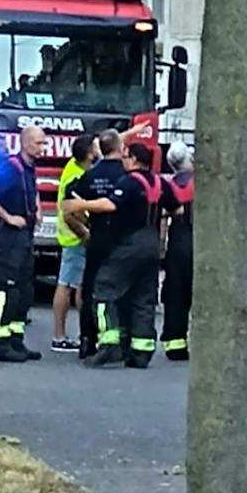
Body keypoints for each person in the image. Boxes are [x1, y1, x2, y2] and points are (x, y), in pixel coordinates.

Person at [75, 136, 162, 369]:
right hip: (153, 242)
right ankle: (141, 351)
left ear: (133, 159)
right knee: (143, 297)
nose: (123, 161)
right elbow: (178, 208)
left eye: (125, 157)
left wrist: (81, 205)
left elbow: (110, 205)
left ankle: (109, 345)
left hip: (131, 243)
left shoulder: (130, 182)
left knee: (104, 289)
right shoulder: (159, 181)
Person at [0, 125, 45, 363]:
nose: (43, 148)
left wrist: (37, 209)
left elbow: (33, 189)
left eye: (44, 143)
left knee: (23, 289)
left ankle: (15, 340)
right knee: (6, 288)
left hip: (26, 233)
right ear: (25, 142)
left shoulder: (29, 168)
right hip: (10, 235)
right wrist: (7, 217)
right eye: (39, 143)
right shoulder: (10, 167)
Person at [66, 126, 125, 360]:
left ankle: (87, 340)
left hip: (98, 235)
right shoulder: (127, 174)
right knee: (121, 289)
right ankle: (118, 338)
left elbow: (69, 209)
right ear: (120, 148)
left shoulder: (89, 175)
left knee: (90, 287)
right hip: (122, 237)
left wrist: (84, 232)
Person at [51, 131, 94, 353]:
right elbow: (71, 212)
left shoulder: (75, 165)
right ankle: (61, 336)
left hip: (71, 235)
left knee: (72, 283)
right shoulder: (76, 176)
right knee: (70, 285)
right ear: (88, 153)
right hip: (74, 237)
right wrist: (85, 233)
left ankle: (75, 334)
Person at [160, 142, 194, 362]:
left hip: (176, 244)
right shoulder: (203, 184)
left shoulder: (170, 186)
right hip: (198, 242)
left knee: (174, 295)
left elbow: (164, 217)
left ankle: (174, 343)